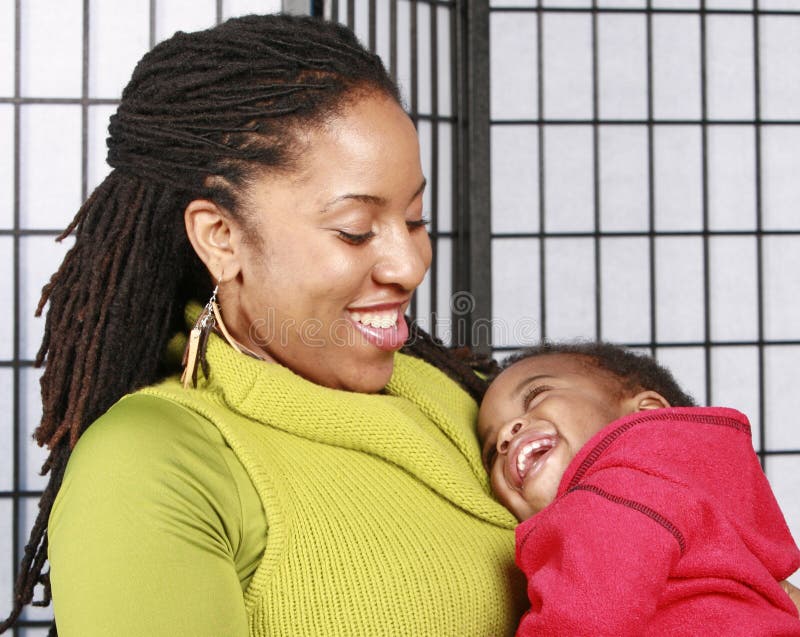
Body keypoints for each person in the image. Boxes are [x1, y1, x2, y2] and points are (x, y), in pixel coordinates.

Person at [0, 14, 528, 636]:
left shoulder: (464, 395)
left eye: (414, 219)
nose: (410, 265)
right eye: (355, 230)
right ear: (221, 237)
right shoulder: (153, 463)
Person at [478, 341, 800, 636]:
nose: (507, 433)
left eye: (536, 396)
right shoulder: (706, 495)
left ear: (647, 412)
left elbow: (584, 620)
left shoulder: (618, 486)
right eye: (492, 452)